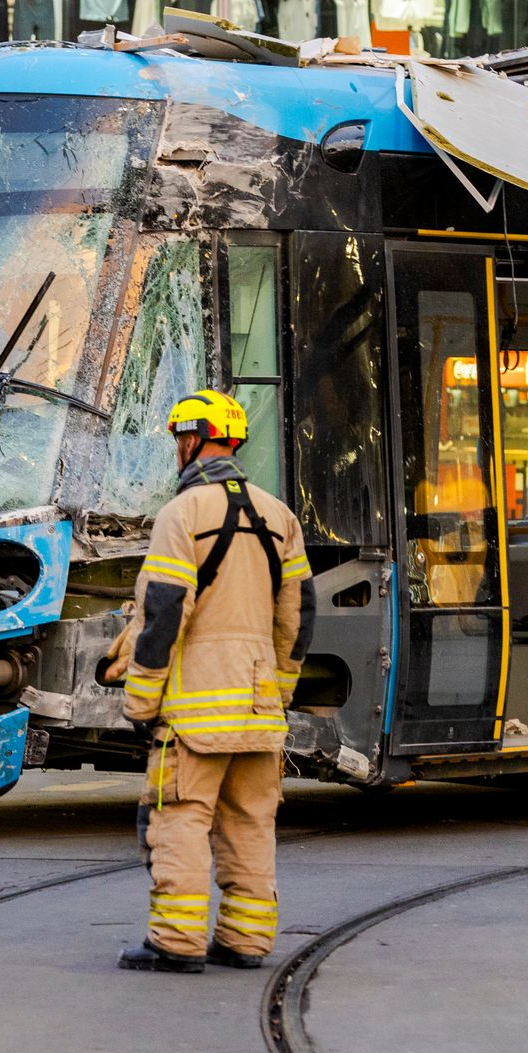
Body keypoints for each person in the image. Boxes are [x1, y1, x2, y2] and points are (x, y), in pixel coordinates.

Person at [106, 390, 312, 974]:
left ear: (194, 439)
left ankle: (175, 941)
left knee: (180, 818)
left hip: (195, 711)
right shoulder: (280, 516)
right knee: (250, 822)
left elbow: (165, 612)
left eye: (179, 438)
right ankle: (245, 940)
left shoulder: (183, 514)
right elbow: (297, 618)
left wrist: (142, 698)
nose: (176, 449)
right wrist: (279, 688)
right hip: (259, 706)